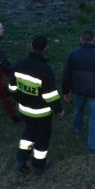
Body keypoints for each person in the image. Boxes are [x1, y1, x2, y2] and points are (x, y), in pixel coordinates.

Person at [9, 35, 64, 174]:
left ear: (30, 46)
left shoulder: (20, 64)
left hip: (24, 110)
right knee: (42, 138)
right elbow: (50, 95)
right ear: (45, 48)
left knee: (28, 133)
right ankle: (39, 166)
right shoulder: (45, 69)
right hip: (41, 113)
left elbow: (12, 87)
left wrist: (19, 100)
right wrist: (59, 110)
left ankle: (21, 161)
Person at [62, 30, 95, 156]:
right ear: (93, 39)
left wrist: (65, 91)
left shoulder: (73, 54)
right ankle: (92, 147)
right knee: (94, 119)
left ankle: (78, 130)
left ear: (81, 39)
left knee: (78, 111)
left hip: (78, 90)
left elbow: (66, 74)